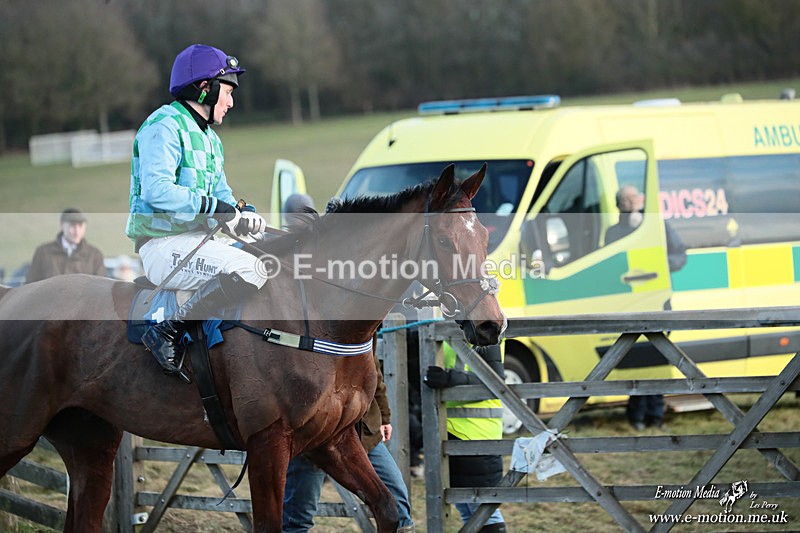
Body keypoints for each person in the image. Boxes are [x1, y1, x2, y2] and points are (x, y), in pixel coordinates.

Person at [126, 44, 269, 378]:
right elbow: (157, 190)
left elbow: (223, 198)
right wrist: (216, 208)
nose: (232, 101)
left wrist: (244, 217)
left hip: (197, 243)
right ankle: (168, 330)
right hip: (162, 245)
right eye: (228, 92)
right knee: (251, 270)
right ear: (205, 87)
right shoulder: (162, 126)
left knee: (269, 258)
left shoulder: (211, 140)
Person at [283, 351, 415, 532]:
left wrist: (384, 416)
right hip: (312, 435)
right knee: (296, 519)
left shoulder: (362, 326)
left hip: (363, 432)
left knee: (398, 511)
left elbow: (373, 370)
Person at [605, 185, 687, 431]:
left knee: (657, 359)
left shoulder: (657, 226)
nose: (631, 203)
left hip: (658, 304)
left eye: (634, 198)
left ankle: (655, 415)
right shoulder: (613, 233)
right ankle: (637, 414)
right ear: (619, 204)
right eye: (626, 199)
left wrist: (657, 266)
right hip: (628, 305)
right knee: (635, 361)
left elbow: (679, 256)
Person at [424, 344, 508, 532]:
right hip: (451, 434)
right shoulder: (446, 324)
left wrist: (449, 378)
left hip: (477, 436)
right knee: (468, 510)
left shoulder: (482, 328)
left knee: (484, 512)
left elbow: (495, 380)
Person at [25, 208, 106, 283]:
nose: (77, 231)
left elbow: (101, 288)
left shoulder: (95, 255)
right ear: (62, 225)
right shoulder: (43, 253)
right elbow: (31, 285)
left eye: (80, 226)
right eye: (72, 226)